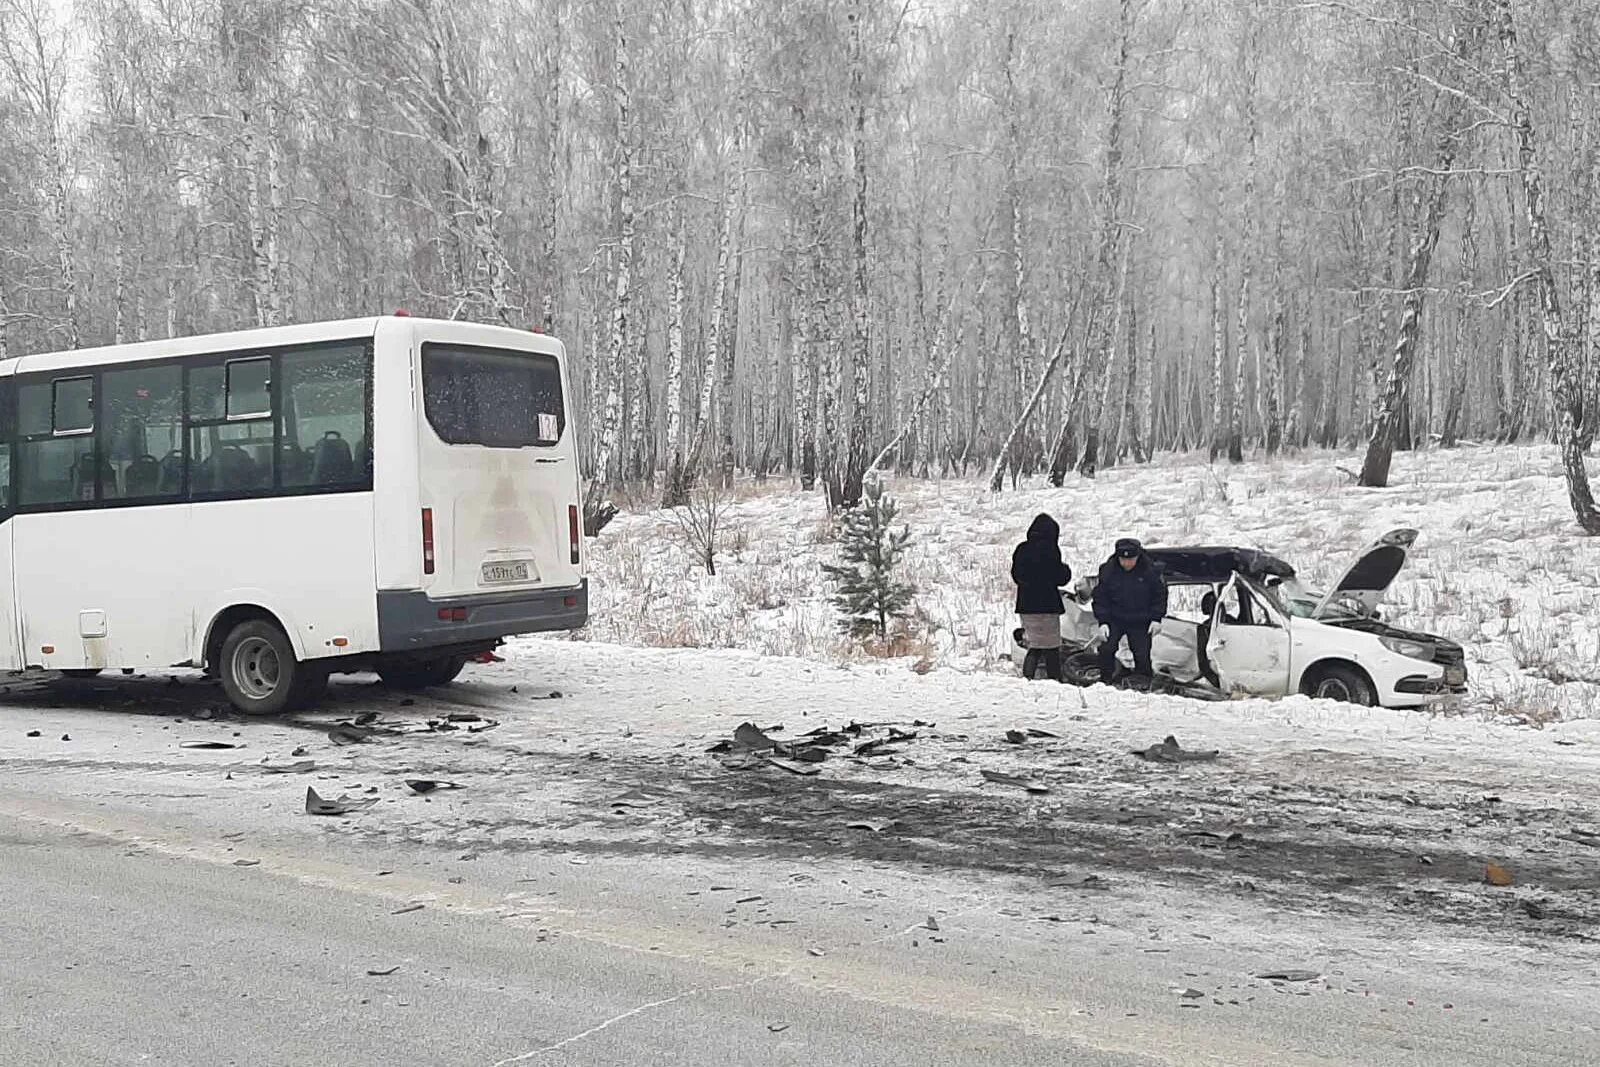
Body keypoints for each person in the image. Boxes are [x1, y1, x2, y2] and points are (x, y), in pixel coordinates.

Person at [1092, 537, 1167, 686]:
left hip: (1140, 619)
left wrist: (1156, 618)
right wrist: (1103, 621)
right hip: (1115, 618)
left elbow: (1160, 595)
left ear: (1138, 557)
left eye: (1131, 559)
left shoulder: (1150, 570)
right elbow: (1101, 597)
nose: (1127, 563)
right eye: (1123, 559)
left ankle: (1143, 681)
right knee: (1106, 649)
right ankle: (1105, 681)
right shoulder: (1108, 570)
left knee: (1141, 653)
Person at [1011, 513, 1073, 682]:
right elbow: (1059, 577)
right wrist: (1065, 570)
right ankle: (1055, 680)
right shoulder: (1050, 550)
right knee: (1051, 647)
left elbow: (1016, 576)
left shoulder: (1021, 549)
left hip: (1026, 606)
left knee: (1034, 645)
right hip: (1047, 606)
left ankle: (1028, 678)